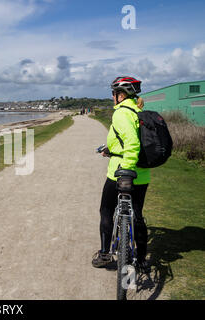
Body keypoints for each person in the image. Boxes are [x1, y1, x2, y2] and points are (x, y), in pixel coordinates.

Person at [92, 76, 150, 271]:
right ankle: (141, 260)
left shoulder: (121, 113)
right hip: (142, 174)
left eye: (114, 93)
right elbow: (128, 141)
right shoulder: (138, 111)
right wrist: (109, 149)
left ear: (121, 94)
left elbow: (132, 144)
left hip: (121, 172)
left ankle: (104, 254)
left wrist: (126, 169)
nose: (112, 96)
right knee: (137, 215)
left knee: (106, 210)